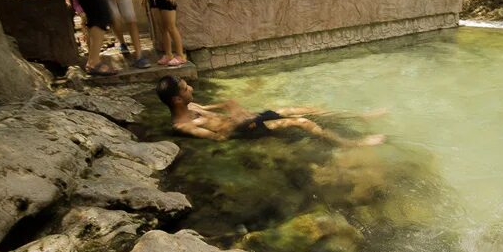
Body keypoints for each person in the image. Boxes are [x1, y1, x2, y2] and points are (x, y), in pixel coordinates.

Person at [156, 76, 385, 146]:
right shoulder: (185, 127)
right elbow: (221, 138)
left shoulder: (193, 106)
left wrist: (226, 106)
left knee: (307, 109)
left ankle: (359, 116)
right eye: (186, 89)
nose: (191, 89)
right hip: (247, 130)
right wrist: (236, 119)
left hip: (249, 117)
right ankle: (349, 143)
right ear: (177, 99)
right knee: (301, 121)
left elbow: (210, 110)